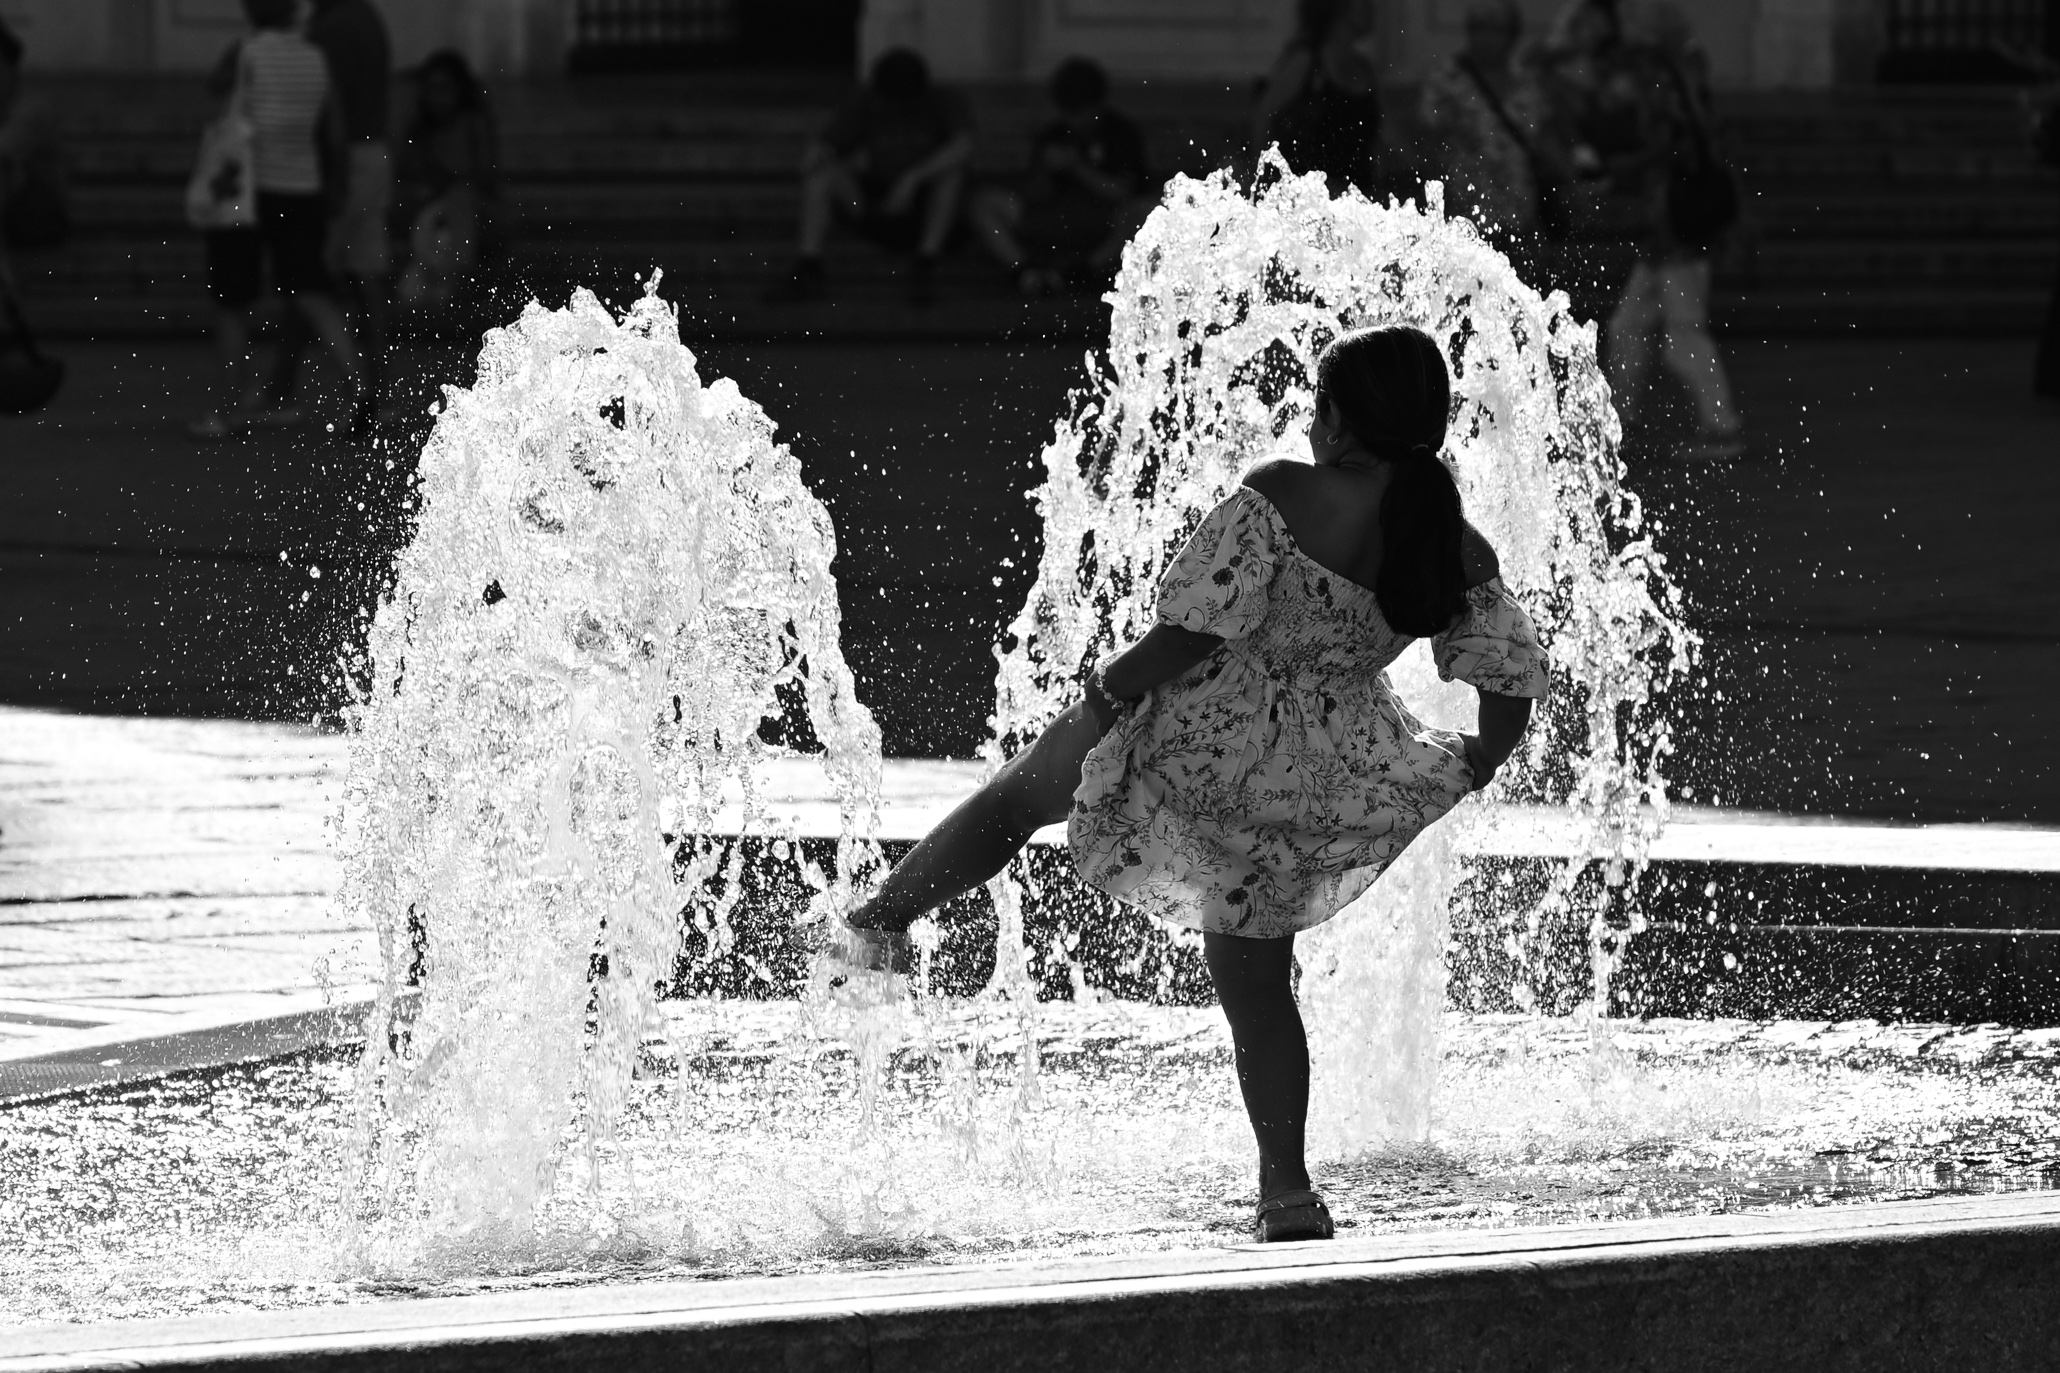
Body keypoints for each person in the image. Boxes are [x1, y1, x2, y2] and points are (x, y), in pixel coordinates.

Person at [843, 326, 1549, 1243]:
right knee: (1258, 980)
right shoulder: (1449, 542)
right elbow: (1507, 677)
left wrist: (1112, 681)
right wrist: (1472, 762)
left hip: (1198, 728)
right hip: (1312, 776)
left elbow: (1195, 632)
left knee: (1018, 799)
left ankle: (880, 922)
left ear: (1334, 420)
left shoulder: (1285, 491)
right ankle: (1287, 1189)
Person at [189, 0, 365, 442]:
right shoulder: (316, 57)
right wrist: (336, 184)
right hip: (301, 188)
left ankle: (228, 410)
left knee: (232, 303)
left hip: (245, 192)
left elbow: (215, 90)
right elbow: (335, 130)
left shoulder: (245, 51)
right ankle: (361, 392)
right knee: (312, 292)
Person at [1598, 2, 1743, 459]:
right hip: (1669, 232)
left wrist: (1624, 167)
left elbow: (1674, 146)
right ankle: (1620, 422)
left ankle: (1722, 428)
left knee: (1683, 335)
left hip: (1677, 232)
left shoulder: (1669, 78)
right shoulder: (1680, 72)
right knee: (1628, 326)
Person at [768, 48, 973, 306]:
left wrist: (913, 178)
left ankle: (925, 264)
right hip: (874, 201)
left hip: (925, 205)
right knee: (823, 177)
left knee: (951, 177)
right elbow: (826, 143)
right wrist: (821, 155)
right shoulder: (867, 101)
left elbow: (963, 147)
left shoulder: (945, 101)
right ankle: (809, 265)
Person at [970, 57, 1151, 297]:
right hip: (1055, 218)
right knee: (984, 203)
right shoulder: (1055, 133)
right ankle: (1025, 271)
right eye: (1069, 111)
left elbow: (1123, 192)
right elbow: (1035, 195)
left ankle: (1081, 272)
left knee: (1144, 213)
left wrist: (1077, 167)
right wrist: (1047, 168)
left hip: (1104, 221)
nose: (1074, 119)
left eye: (1081, 111)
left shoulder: (1120, 133)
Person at [306, 0, 393, 420]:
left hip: (350, 159)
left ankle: (363, 390)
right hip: (371, 151)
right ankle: (378, 386)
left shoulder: (334, 27)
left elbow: (330, 109)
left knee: (313, 275)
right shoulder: (363, 17)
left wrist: (332, 175)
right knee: (365, 273)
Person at [1417, 0, 1559, 258]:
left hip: (1521, 218)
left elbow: (1545, 140)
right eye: (1478, 28)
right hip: (1467, 217)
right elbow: (1427, 140)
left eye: (1494, 29)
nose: (1485, 37)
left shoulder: (1527, 82)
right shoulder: (1447, 79)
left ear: (1511, 35)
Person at [394, 49, 498, 312]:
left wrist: (451, 178)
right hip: (429, 208)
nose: (437, 97)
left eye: (444, 88)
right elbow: (407, 170)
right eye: (431, 89)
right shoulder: (419, 128)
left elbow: (484, 175)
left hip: (470, 208)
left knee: (459, 199)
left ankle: (458, 277)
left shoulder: (474, 122)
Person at [1251, 0, 1386, 196]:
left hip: (1356, 201)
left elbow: (1388, 133)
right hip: (1310, 201)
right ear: (1340, 8)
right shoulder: (1306, 62)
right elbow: (1264, 117)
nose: (1372, 7)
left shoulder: (1364, 69)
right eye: (1363, 3)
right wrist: (1265, 180)